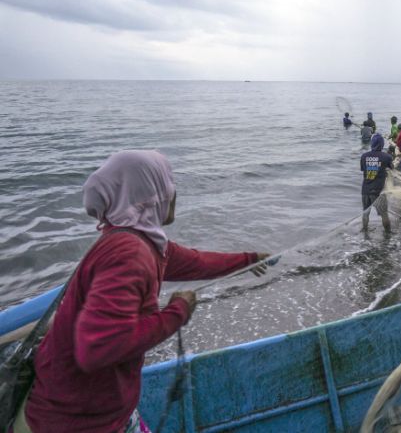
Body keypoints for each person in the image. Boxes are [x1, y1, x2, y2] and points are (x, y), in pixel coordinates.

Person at [14, 150, 271, 433]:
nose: (173, 192)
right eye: (167, 183)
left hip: (88, 409)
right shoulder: (129, 253)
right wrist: (177, 312)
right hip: (75, 423)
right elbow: (99, 348)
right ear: (149, 193)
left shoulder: (136, 240)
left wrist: (248, 260)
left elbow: (195, 262)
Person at [361, 133, 393, 232]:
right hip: (378, 192)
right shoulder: (386, 156)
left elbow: (364, 169)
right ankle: (388, 235)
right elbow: (392, 168)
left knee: (365, 213)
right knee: (384, 214)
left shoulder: (364, 156)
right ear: (382, 144)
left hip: (365, 190)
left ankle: (365, 231)